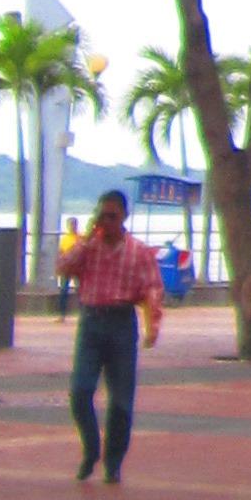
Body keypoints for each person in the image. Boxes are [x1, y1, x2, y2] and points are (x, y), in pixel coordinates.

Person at [57, 188, 165, 483]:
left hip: (120, 322)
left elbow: (152, 288)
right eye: (102, 215)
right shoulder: (89, 247)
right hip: (91, 320)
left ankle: (113, 462)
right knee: (80, 391)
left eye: (112, 216)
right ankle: (91, 449)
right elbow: (64, 267)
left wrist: (152, 325)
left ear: (124, 217)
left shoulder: (138, 252)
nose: (107, 221)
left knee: (120, 401)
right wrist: (88, 239)